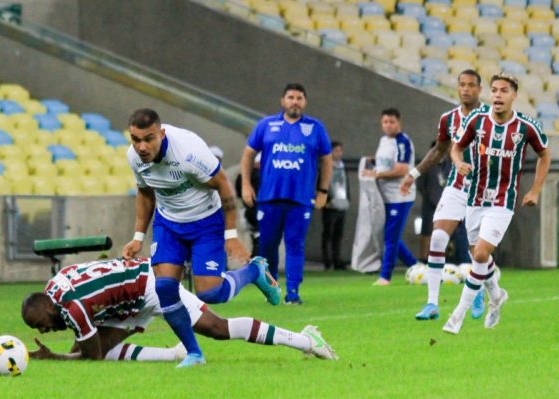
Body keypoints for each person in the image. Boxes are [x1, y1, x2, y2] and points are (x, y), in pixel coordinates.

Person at [121, 109, 281, 368]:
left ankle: (254, 271)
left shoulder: (188, 151)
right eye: (135, 139)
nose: (141, 146)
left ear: (161, 134)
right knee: (164, 288)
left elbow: (224, 185)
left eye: (148, 138)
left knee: (211, 292)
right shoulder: (134, 157)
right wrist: (138, 237)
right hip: (169, 224)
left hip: (206, 221)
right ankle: (194, 353)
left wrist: (230, 235)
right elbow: (145, 193)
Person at [21, 257, 338, 363]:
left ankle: (307, 340)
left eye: (41, 323)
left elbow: (88, 356)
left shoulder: (72, 308)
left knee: (217, 329)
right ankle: (174, 354)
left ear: (49, 305)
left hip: (150, 285)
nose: (44, 330)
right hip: (127, 293)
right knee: (100, 348)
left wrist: (56, 357)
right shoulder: (54, 286)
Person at [442, 74, 550, 334]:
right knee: (479, 257)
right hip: (475, 198)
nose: (498, 95)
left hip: (503, 201)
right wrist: (458, 162)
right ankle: (497, 295)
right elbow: (456, 148)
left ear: (514, 95)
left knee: (479, 255)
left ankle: (457, 315)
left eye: (504, 91)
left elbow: (545, 154)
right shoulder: (477, 120)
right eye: (494, 90)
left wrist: (535, 190)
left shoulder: (526, 126)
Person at [399, 70, 488, 321]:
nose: (466, 89)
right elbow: (439, 150)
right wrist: (413, 175)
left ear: (479, 89)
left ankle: (478, 289)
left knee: (477, 249)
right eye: (462, 85)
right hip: (457, 185)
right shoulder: (448, 118)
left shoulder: (490, 117)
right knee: (437, 238)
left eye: (471, 85)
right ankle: (432, 304)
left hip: (483, 189)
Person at [239, 83, 333, 305]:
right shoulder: (266, 125)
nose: (295, 102)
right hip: (269, 197)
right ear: (283, 101)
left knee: (295, 244)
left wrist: (323, 190)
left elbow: (327, 160)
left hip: (300, 199)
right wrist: (245, 185)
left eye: (300, 98)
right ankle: (272, 290)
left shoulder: (315, 127)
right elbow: (248, 155)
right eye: (291, 97)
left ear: (305, 102)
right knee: (268, 245)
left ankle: (293, 293)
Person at [362, 108, 417, 285]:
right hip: (384, 195)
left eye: (392, 122)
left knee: (391, 236)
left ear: (399, 123)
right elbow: (385, 163)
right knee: (388, 234)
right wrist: (372, 162)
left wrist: (377, 175)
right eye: (385, 122)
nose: (388, 125)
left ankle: (385, 276)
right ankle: (416, 267)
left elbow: (402, 169)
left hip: (400, 195)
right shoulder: (383, 141)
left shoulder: (402, 142)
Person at [322, 141, 349, 270]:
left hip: (342, 203)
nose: (339, 153)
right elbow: (320, 183)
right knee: (328, 233)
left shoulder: (342, 167)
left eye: (340, 151)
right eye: (336, 150)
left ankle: (337, 260)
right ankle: (327, 261)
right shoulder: (325, 167)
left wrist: (348, 199)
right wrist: (326, 200)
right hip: (330, 205)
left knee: (338, 234)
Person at [235, 153, 261, 257]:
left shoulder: (242, 176)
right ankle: (256, 265)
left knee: (256, 239)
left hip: (246, 212)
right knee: (260, 241)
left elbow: (238, 193)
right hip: (257, 212)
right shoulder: (260, 176)